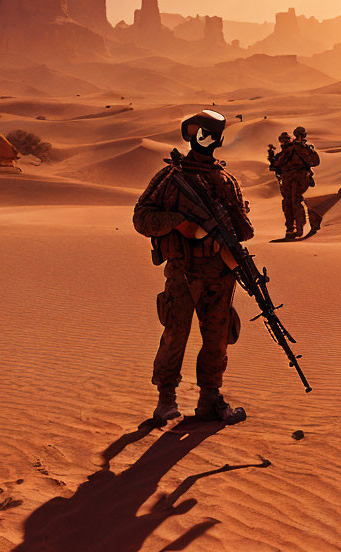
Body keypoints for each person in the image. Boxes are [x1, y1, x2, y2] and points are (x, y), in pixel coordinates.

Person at [133, 110, 253, 425]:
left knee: (217, 339)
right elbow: (141, 218)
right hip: (182, 272)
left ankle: (209, 400)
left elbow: (243, 230)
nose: (204, 139)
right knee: (175, 334)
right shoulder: (171, 178)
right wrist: (180, 223)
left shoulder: (227, 181)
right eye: (199, 132)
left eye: (209, 134)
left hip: (219, 274)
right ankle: (166, 401)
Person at [269, 126, 320, 239]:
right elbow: (315, 162)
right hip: (293, 178)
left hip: (295, 178)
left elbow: (314, 161)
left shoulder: (294, 149)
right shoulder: (294, 150)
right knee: (290, 202)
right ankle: (293, 229)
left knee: (293, 201)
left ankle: (296, 229)